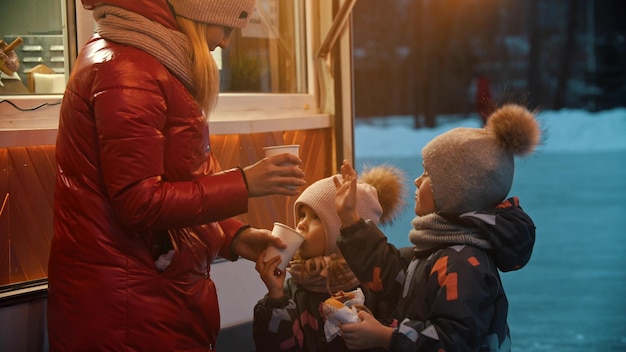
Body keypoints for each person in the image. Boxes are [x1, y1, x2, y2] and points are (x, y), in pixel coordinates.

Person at [48, 0, 307, 351]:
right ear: (199, 12)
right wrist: (244, 183)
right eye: (227, 28)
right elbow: (138, 204)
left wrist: (233, 236)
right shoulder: (129, 72)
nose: (226, 43)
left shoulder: (149, 63)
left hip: (146, 299)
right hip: (128, 312)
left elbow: (171, 188)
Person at [334, 103, 541, 351]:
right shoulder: (439, 248)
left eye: (427, 174)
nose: (417, 180)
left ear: (456, 192)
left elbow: (454, 342)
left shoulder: (462, 262)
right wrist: (349, 218)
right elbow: (392, 276)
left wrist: (387, 338)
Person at [253, 165, 407, 351]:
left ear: (339, 231)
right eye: (301, 215)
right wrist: (276, 298)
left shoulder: (373, 289)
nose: (301, 224)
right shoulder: (290, 291)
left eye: (315, 218)